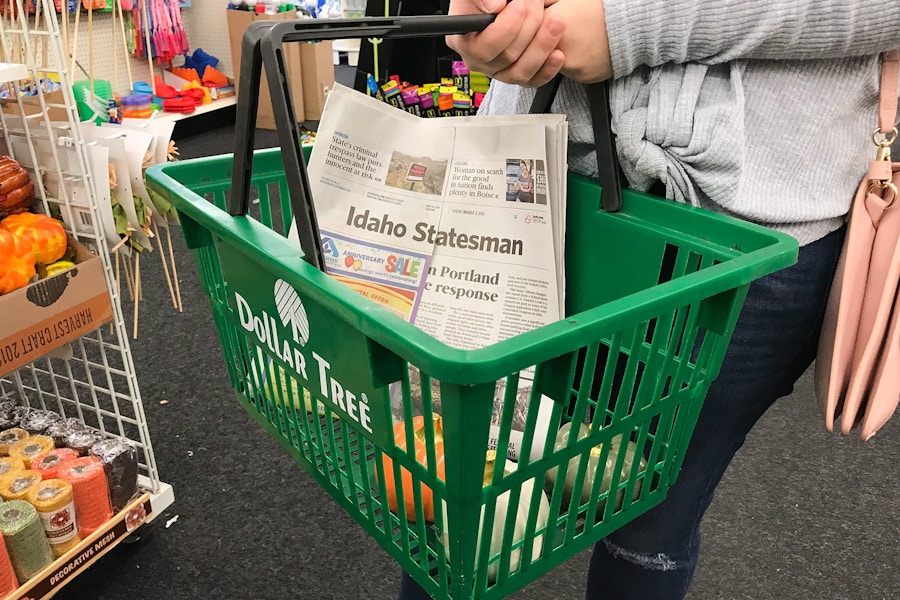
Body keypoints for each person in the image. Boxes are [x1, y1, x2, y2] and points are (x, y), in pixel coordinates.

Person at [397, 1, 900, 599]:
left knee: (649, 520)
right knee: (449, 496)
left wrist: (628, 25)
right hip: (521, 187)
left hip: (736, 233)